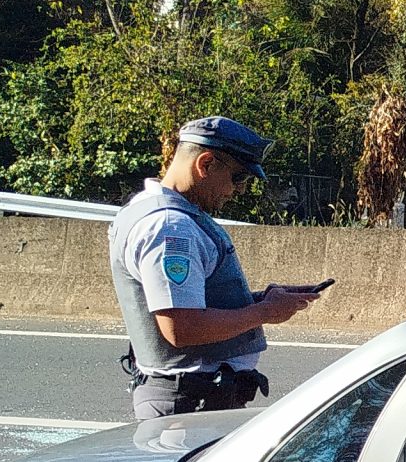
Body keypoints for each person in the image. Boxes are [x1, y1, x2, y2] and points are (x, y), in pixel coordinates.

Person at [108, 118, 322, 420]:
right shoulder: (171, 227)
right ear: (205, 164)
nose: (239, 190)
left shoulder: (155, 210)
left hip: (192, 399)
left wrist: (261, 300)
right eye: (238, 177)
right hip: (189, 404)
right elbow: (181, 327)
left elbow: (193, 301)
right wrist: (265, 312)